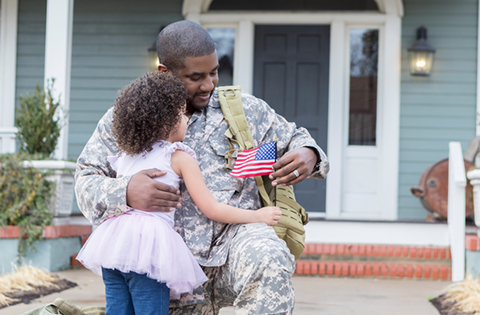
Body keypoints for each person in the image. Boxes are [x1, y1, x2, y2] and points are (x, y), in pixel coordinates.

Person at [75, 20, 329, 315]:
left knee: (269, 256)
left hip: (233, 244)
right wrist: (126, 191)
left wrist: (309, 154)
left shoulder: (244, 110)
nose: (208, 85)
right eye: (195, 77)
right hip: (164, 266)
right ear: (164, 72)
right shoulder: (129, 117)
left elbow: (298, 137)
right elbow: (85, 177)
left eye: (214, 72)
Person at [76, 72, 282, 315]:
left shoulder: (125, 155)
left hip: (113, 247)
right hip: (148, 250)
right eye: (181, 115)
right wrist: (258, 216)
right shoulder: (179, 157)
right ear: (166, 124)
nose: (187, 119)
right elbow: (212, 208)